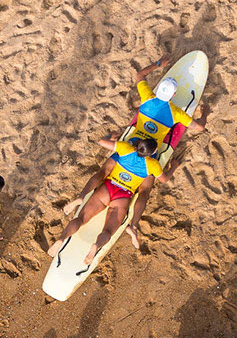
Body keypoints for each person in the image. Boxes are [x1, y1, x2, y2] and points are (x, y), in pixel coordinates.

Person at [58, 59, 199, 264]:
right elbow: (165, 178)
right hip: (123, 195)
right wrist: (174, 166)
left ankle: (65, 232)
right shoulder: (152, 164)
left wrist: (158, 64)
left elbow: (139, 76)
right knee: (144, 191)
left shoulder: (129, 143)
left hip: (111, 181)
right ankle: (131, 225)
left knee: (100, 176)